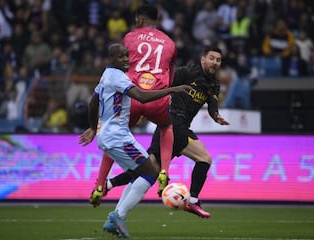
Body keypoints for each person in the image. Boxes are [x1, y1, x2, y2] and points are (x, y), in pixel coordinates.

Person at [98, 46, 229, 219]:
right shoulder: (186, 73)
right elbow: (163, 86)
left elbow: (212, 103)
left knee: (149, 168)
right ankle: (194, 199)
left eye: (218, 60)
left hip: (169, 127)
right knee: (204, 158)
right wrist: (149, 109)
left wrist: (216, 116)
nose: (215, 63)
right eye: (211, 58)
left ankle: (110, 184)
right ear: (202, 59)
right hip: (173, 122)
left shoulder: (213, 85)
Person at [79, 43, 191, 238]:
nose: (126, 59)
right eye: (121, 56)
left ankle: (113, 218)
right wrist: (172, 90)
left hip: (110, 136)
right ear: (111, 59)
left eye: (126, 56)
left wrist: (92, 127)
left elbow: (93, 102)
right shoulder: (118, 77)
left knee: (137, 173)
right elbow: (142, 97)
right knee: (151, 173)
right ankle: (118, 216)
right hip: (118, 137)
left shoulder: (106, 75)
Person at [90, 4, 177, 206]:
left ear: (139, 19)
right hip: (157, 97)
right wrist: (169, 92)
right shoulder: (170, 42)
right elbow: (171, 73)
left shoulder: (129, 38)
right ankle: (164, 171)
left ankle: (100, 184)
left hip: (133, 96)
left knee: (116, 133)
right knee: (166, 126)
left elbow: (119, 67)